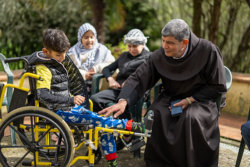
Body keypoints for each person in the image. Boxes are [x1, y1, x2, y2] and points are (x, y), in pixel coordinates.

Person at [99, 19, 227, 167]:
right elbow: (139, 77)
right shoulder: (160, 55)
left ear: (185, 43)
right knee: (155, 113)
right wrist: (123, 101)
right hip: (172, 96)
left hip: (201, 100)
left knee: (190, 118)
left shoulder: (208, 50)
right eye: (163, 41)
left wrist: (190, 100)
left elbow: (217, 85)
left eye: (170, 43)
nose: (164, 46)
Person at [28, 28, 153, 167]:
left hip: (68, 109)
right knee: (101, 121)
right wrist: (71, 99)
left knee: (103, 126)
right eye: (59, 55)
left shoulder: (55, 64)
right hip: (58, 112)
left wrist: (72, 99)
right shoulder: (43, 68)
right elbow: (42, 95)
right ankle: (133, 126)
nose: (63, 58)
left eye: (64, 54)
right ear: (46, 52)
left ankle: (113, 163)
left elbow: (59, 90)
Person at [90, 29, 151, 120]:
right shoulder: (124, 56)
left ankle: (127, 131)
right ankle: (102, 124)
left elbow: (147, 75)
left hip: (135, 91)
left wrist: (130, 82)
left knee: (122, 104)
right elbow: (107, 69)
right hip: (117, 90)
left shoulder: (149, 57)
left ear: (143, 44)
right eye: (129, 46)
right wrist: (111, 79)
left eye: (135, 46)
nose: (131, 49)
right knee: (94, 99)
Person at [67, 23, 115, 91]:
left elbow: (114, 65)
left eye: (91, 37)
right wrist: (84, 74)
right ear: (80, 38)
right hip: (76, 90)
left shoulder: (102, 50)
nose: (89, 40)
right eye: (86, 37)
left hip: (100, 90)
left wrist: (97, 68)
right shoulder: (72, 52)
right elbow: (68, 69)